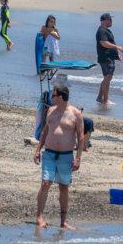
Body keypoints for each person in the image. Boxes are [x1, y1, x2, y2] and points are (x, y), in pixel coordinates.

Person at [33, 84, 84, 229]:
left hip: (66, 156)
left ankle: (63, 221)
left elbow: (80, 138)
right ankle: (39, 217)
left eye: (53, 95)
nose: (51, 98)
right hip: (49, 154)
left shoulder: (76, 114)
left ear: (60, 97)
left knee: (63, 187)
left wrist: (78, 158)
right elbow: (44, 132)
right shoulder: (50, 110)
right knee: (45, 183)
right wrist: (37, 150)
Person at [95, 13, 123, 106]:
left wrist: (117, 55)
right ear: (105, 20)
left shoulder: (106, 30)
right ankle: (105, 100)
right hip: (106, 58)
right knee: (107, 78)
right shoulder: (102, 31)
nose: (111, 21)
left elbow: (110, 43)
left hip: (109, 57)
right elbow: (104, 43)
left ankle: (100, 97)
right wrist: (117, 47)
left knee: (107, 78)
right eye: (110, 19)